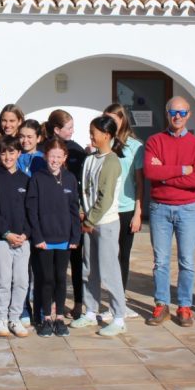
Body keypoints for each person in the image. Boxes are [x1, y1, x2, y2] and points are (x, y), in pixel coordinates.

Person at [144, 96, 195, 328]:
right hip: (160, 208)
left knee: (187, 261)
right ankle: (161, 304)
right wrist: (183, 170)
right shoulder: (154, 140)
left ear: (188, 115)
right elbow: (151, 173)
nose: (177, 117)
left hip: (187, 209)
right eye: (173, 112)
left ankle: (184, 306)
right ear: (167, 113)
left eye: (182, 113)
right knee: (160, 261)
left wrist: (166, 174)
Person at [71, 116, 128, 336]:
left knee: (109, 271)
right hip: (89, 222)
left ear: (106, 135)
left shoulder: (112, 161)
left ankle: (119, 317)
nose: (91, 135)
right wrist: (82, 212)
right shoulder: (90, 158)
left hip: (104, 224)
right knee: (89, 269)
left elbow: (105, 198)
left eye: (94, 131)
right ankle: (90, 311)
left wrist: (89, 220)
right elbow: (84, 189)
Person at [26, 138, 81, 337]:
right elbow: (32, 210)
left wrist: (75, 236)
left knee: (60, 279)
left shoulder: (70, 179)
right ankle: (46, 317)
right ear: (45, 156)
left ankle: (59, 318)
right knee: (46, 278)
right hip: (44, 239)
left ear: (65, 158)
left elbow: (74, 209)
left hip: (65, 238)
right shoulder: (37, 178)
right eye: (52, 156)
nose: (55, 160)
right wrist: (38, 236)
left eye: (59, 156)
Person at [0, 135, 31, 338]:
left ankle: (15, 317)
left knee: (21, 280)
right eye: (3, 152)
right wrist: (6, 233)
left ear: (19, 153)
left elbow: (32, 212)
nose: (7, 156)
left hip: (23, 240)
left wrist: (25, 234)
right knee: (3, 280)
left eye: (11, 152)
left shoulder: (26, 181)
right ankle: (1, 317)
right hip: (2, 240)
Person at [44, 108, 87, 319]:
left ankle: (78, 302)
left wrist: (80, 210)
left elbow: (82, 183)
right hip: (50, 218)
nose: (72, 131)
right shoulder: (46, 150)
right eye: (68, 127)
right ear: (56, 129)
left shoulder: (77, 151)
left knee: (76, 262)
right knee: (51, 267)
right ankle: (51, 303)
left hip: (72, 215)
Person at [102, 103, 144, 316]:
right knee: (106, 256)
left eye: (114, 118)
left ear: (122, 120)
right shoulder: (103, 142)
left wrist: (138, 213)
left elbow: (139, 183)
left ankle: (119, 300)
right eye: (107, 118)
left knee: (122, 256)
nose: (111, 122)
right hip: (106, 210)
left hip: (126, 208)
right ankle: (109, 297)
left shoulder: (135, 146)